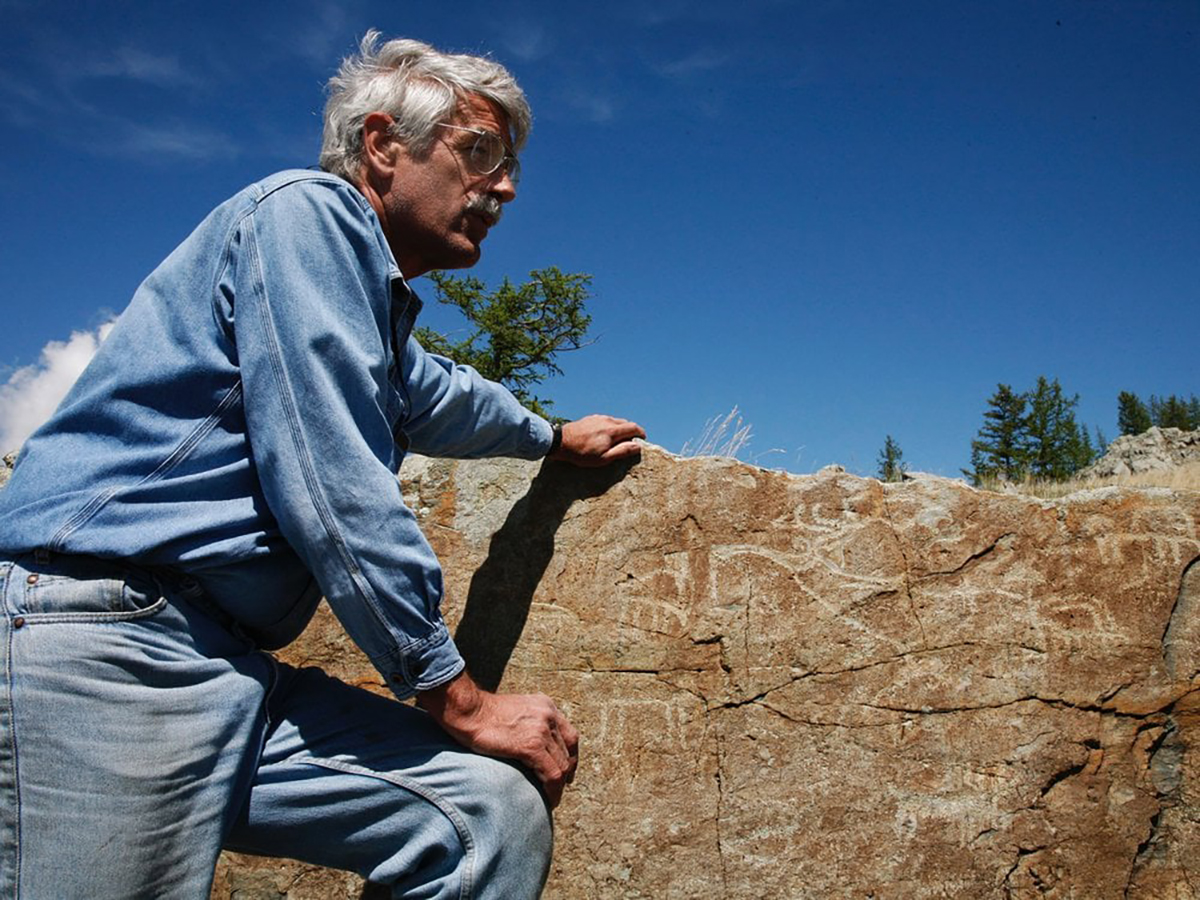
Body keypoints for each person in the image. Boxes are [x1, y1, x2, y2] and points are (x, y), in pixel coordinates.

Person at [0, 31, 644, 900]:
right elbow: (330, 475)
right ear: (381, 145)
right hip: (109, 649)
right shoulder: (307, 216)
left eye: (513, 164)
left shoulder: (368, 314)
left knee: (484, 814)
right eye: (481, 152)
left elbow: (439, 394)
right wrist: (455, 697)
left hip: (231, 675)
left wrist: (549, 436)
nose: (505, 187)